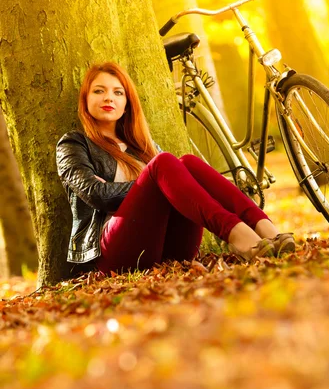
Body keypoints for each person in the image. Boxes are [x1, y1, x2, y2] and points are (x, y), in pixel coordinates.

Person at [56, 62, 295, 275]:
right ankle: (239, 236)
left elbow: (170, 187)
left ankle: (267, 230)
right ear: (85, 100)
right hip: (114, 253)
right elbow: (97, 194)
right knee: (164, 164)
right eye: (99, 91)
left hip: (169, 248)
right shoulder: (74, 144)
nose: (109, 98)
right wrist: (151, 185)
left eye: (118, 93)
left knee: (188, 162)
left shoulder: (144, 148)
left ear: (127, 104)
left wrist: (137, 186)